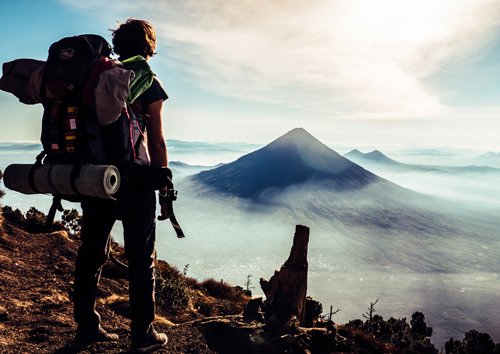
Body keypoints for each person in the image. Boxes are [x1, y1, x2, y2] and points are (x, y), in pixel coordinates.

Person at [73, 19, 171, 352]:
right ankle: (143, 334)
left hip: (96, 177)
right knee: (141, 258)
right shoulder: (145, 80)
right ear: (148, 46)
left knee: (91, 253)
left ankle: (87, 326)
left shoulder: (98, 77)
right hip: (135, 182)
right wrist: (163, 177)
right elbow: (156, 140)